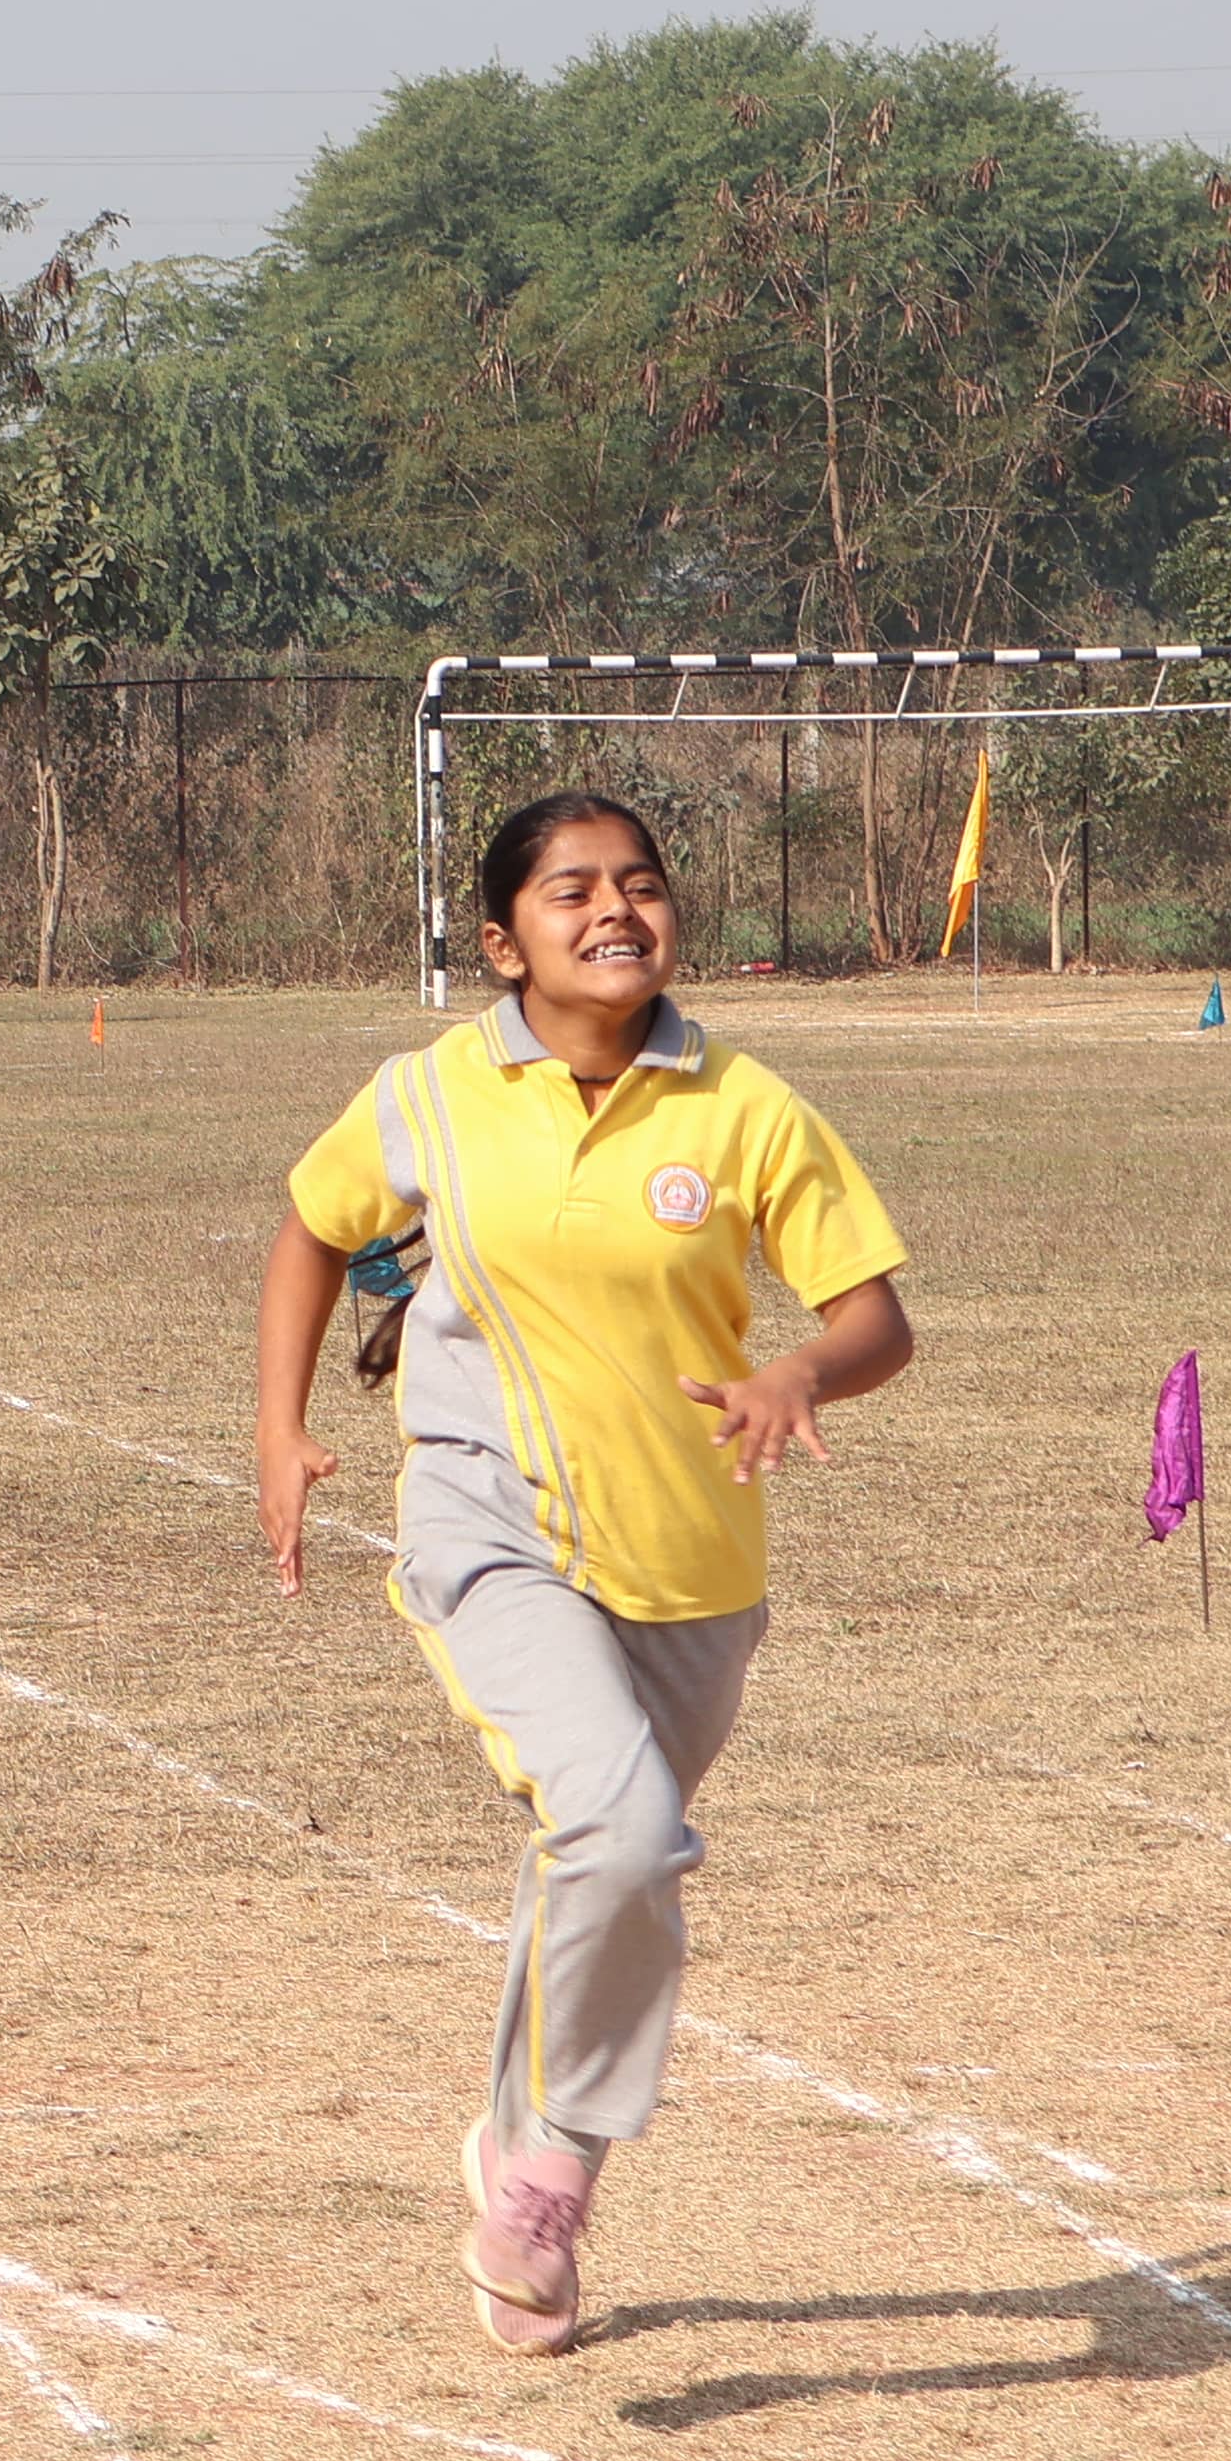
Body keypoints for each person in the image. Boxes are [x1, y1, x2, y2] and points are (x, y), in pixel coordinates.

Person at [253, 788, 909, 2357]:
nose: (616, 910)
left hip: (693, 1568)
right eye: (572, 891)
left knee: (597, 1859)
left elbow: (876, 1317)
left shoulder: (746, 1108)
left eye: (641, 884)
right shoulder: (428, 1095)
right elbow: (314, 1226)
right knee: (619, 1824)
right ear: (504, 943)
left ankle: (521, 2155)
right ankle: (557, 2182)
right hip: (490, 1525)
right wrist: (278, 1430)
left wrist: (799, 1373)